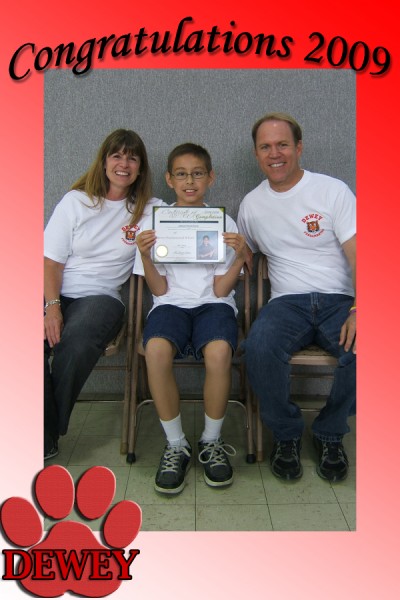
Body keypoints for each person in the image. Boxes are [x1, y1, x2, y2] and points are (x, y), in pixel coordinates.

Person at [237, 112, 356, 482]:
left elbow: (362, 254)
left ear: (299, 147)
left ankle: (329, 432)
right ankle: (286, 435)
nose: (276, 153)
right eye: (266, 146)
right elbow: (247, 261)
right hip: (287, 302)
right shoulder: (251, 206)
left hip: (340, 300)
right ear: (257, 154)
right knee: (258, 348)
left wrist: (362, 307)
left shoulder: (332, 190)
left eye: (283, 144)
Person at [44, 128, 163, 461]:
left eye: (132, 157)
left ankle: (44, 432)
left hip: (102, 298)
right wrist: (52, 308)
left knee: (76, 342)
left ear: (141, 167)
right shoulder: (76, 201)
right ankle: (44, 431)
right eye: (117, 155)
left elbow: (186, 217)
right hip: (53, 292)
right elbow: (51, 262)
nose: (123, 163)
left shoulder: (149, 209)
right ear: (104, 160)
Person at [133, 143, 246, 494]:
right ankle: (177, 443)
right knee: (155, 350)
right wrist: (146, 256)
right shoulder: (157, 224)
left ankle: (211, 442)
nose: (189, 181)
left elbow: (218, 289)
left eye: (197, 173)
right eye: (181, 174)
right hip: (170, 305)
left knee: (218, 353)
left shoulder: (222, 222)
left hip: (215, 305)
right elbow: (161, 290)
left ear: (210, 177)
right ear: (169, 179)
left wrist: (241, 257)